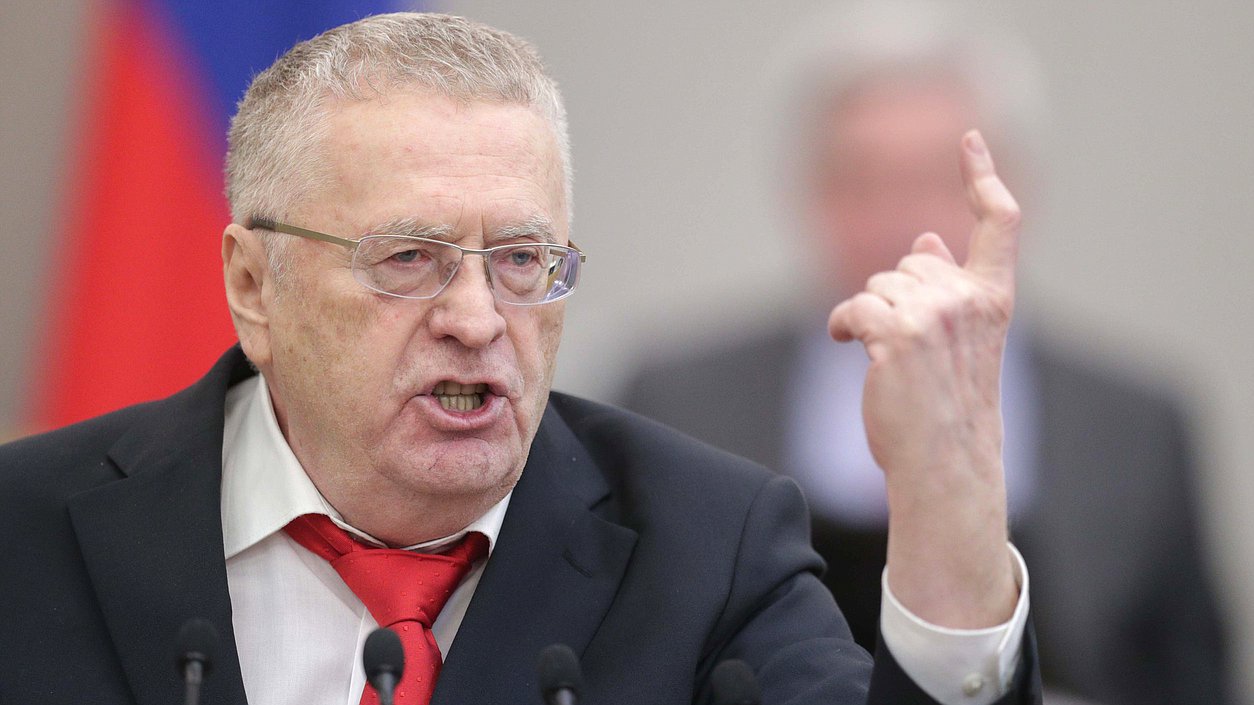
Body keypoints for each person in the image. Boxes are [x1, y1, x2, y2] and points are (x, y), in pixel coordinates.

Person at [0, 12, 1040, 705]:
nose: (477, 318)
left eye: (520, 260)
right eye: (408, 258)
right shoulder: (28, 532)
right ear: (252, 284)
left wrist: (950, 513)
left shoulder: (708, 552)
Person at [619, 4, 1228, 704]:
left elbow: (1191, 677)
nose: (898, 218)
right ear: (806, 191)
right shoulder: (674, 400)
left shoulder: (1135, 424)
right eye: (862, 179)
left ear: (1014, 191)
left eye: (938, 178)